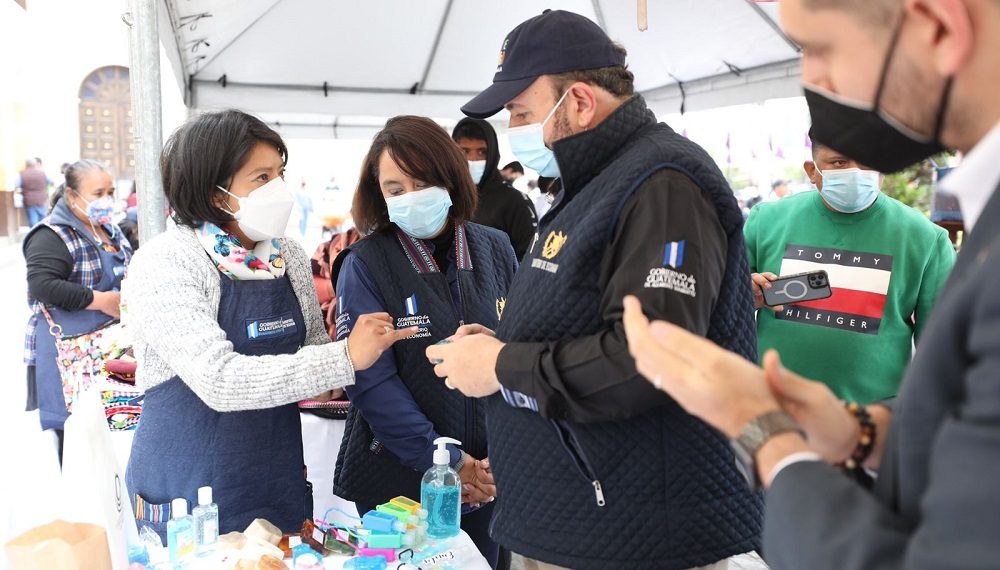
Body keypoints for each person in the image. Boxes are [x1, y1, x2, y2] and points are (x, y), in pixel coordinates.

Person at [622, 0, 1000, 567]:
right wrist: (857, 432)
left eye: (820, 48)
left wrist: (763, 432)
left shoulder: (926, 237)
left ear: (939, 25)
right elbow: (965, 425)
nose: (810, 79)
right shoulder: (771, 220)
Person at [426, 10, 766, 570]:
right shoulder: (596, 182)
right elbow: (586, 315)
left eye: (521, 112)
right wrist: (501, 343)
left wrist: (501, 366)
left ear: (580, 101)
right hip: (580, 519)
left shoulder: (663, 183)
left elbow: (651, 359)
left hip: (634, 532)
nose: (512, 128)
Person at [122, 110, 413, 540]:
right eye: (261, 177)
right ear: (215, 193)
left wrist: (362, 352)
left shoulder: (286, 256)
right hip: (188, 489)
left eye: (280, 173)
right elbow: (219, 380)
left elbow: (315, 353)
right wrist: (344, 358)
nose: (279, 189)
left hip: (273, 478)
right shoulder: (169, 261)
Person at [332, 116, 516, 568]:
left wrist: (498, 459)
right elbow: (372, 383)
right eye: (395, 189)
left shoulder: (496, 248)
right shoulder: (366, 263)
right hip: (399, 480)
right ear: (379, 194)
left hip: (487, 479)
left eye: (422, 182)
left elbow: (519, 351)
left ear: (449, 178)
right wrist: (450, 462)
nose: (410, 197)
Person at [746, 131, 955, 403]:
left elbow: (941, 354)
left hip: (871, 416)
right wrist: (746, 295)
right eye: (839, 162)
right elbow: (725, 306)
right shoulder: (765, 221)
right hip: (772, 403)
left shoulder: (926, 239)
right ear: (812, 170)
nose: (856, 173)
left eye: (867, 163)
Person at [22, 159, 132, 462]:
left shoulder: (110, 230)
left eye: (110, 192)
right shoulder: (50, 235)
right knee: (78, 438)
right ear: (72, 195)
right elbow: (43, 285)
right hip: (70, 352)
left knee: (121, 424)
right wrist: (102, 300)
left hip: (116, 348)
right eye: (98, 193)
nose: (107, 199)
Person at [452, 118, 537, 260]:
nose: (473, 159)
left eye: (482, 152)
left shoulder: (514, 201)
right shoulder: (445, 196)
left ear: (493, 154)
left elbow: (529, 257)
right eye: (464, 151)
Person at [15, 158, 52, 227]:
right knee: (43, 219)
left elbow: (17, 186)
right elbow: (52, 182)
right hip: (42, 199)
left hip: (29, 200)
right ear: (35, 164)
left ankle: (34, 232)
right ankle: (42, 232)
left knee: (33, 221)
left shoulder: (22, 174)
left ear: (26, 165)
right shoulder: (42, 173)